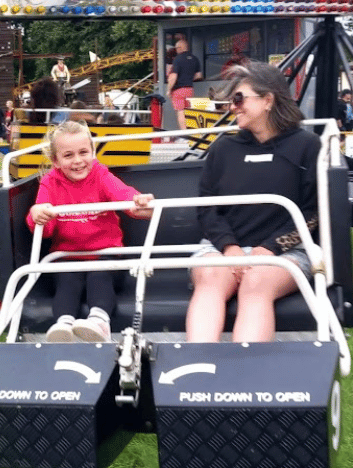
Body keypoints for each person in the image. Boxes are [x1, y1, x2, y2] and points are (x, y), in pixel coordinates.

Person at [185, 61, 320, 343]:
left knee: (256, 283)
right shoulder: (223, 148)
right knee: (211, 279)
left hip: (286, 250)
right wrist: (229, 247)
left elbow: (314, 211)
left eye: (239, 98)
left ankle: (245, 375)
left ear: (268, 100)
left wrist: (270, 248)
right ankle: (198, 367)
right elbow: (207, 206)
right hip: (223, 247)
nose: (233, 107)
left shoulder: (307, 146)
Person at [27, 121, 154, 342]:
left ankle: (99, 322)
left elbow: (123, 194)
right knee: (66, 279)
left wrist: (138, 203)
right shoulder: (50, 183)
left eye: (83, 152)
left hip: (106, 252)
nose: (78, 161)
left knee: (99, 275)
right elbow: (44, 229)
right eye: (68, 155)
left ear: (93, 152)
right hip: (68, 255)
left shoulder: (100, 175)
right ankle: (63, 324)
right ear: (56, 161)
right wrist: (38, 215)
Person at [167, 38, 203, 130]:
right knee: (189, 112)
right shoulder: (194, 59)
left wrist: (168, 90)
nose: (176, 50)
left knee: (180, 112)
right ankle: (190, 134)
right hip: (190, 89)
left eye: (177, 48)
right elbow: (199, 75)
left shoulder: (177, 59)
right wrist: (189, 78)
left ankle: (185, 136)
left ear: (180, 48)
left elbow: (173, 77)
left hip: (178, 90)